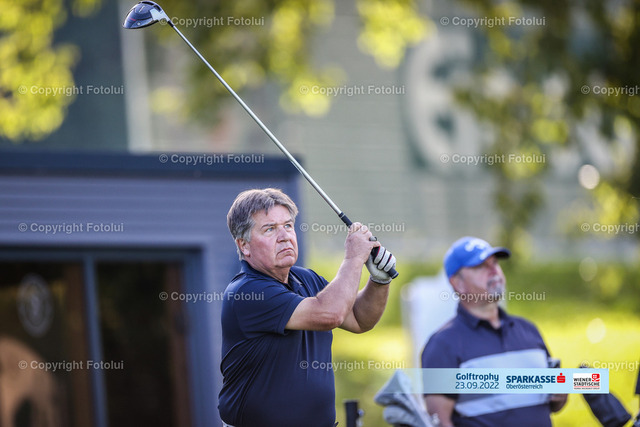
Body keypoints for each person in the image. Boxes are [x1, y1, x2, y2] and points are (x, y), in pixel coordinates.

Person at [218, 188, 396, 427]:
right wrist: (354, 258)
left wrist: (379, 281)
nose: (284, 236)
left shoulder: (305, 279)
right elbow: (330, 313)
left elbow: (358, 319)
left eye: (288, 225)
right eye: (270, 229)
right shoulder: (247, 292)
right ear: (244, 245)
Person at [421, 236, 567, 427]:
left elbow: (554, 403)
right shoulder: (442, 345)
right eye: (481, 266)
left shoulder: (529, 330)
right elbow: (440, 422)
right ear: (458, 283)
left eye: (495, 263)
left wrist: (560, 394)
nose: (494, 271)